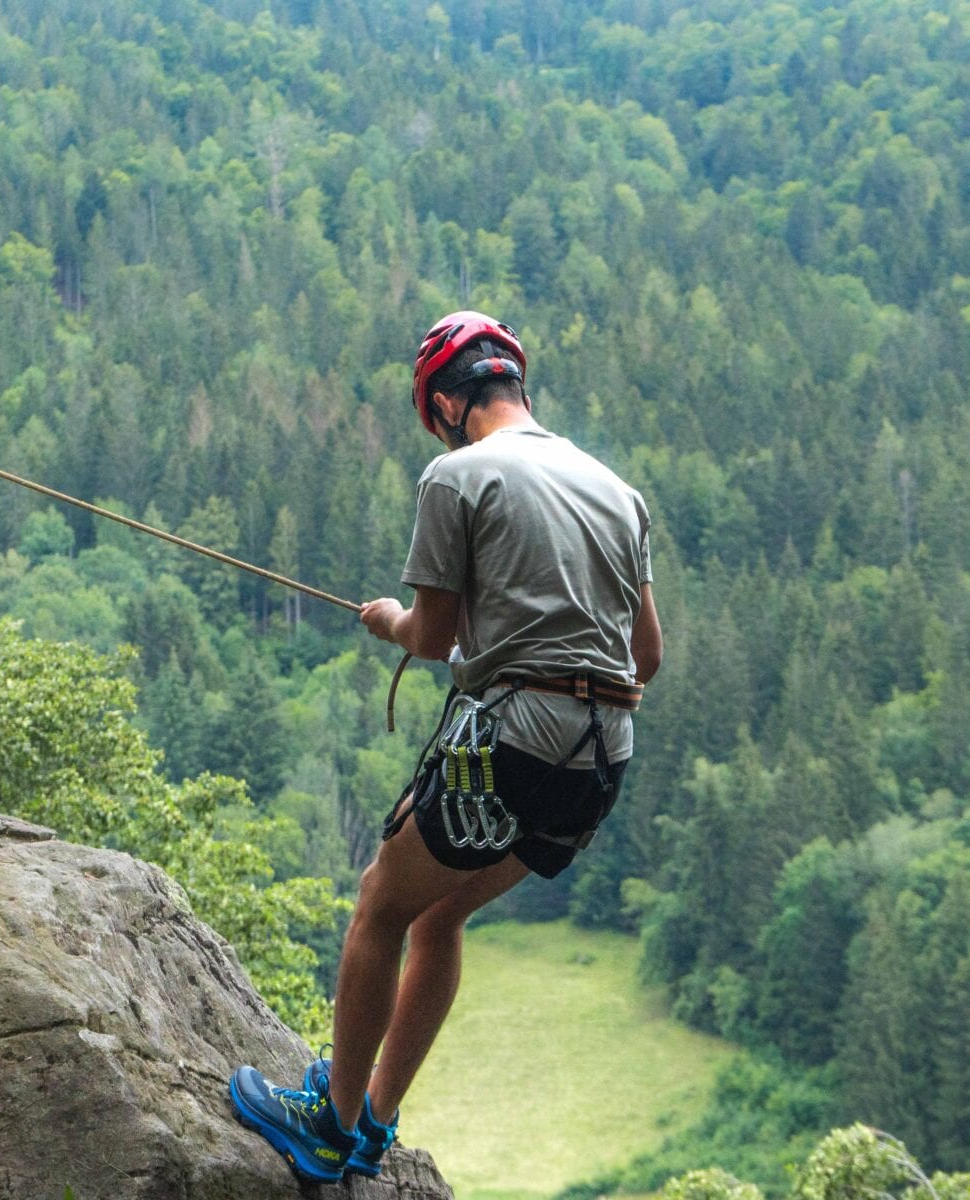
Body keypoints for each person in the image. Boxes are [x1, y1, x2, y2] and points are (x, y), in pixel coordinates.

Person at [230, 311, 662, 1184]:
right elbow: (645, 655)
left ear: (445, 405)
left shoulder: (457, 476)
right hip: (603, 756)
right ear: (517, 389)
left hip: (514, 739)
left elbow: (430, 635)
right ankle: (375, 1122)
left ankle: (330, 1122)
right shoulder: (619, 490)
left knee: (382, 904)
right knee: (442, 912)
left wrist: (389, 621)